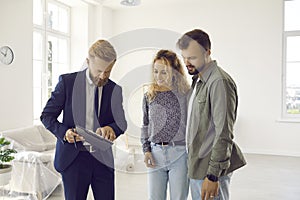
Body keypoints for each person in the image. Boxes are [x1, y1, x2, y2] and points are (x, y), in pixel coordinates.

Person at [40, 39, 127, 200]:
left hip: (103, 160)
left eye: (108, 71)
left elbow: (121, 122)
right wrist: (64, 132)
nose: (103, 76)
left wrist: (112, 129)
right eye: (99, 70)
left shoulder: (115, 89)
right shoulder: (67, 83)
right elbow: (46, 116)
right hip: (74, 159)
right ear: (88, 62)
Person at [177, 29, 247, 200]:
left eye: (192, 57)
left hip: (209, 171)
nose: (187, 62)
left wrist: (213, 175)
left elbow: (224, 132)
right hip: (197, 165)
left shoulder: (219, 82)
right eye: (184, 57)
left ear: (207, 53)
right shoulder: (199, 81)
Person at [141, 49, 190, 200]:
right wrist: (146, 150)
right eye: (156, 71)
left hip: (180, 154)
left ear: (175, 71)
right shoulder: (149, 95)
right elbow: (145, 125)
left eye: (164, 72)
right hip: (155, 153)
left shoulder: (185, 94)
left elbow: (192, 124)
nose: (158, 76)